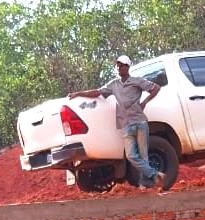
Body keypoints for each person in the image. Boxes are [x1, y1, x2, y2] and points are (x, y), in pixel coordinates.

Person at [69, 54, 166, 191]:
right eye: (118, 66)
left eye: (122, 65)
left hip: (140, 121)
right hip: (126, 124)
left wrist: (144, 102)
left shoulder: (136, 81)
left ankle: (146, 185)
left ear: (127, 66)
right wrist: (78, 94)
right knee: (131, 156)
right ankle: (155, 175)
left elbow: (155, 88)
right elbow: (97, 92)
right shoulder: (114, 84)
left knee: (143, 156)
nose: (119, 68)